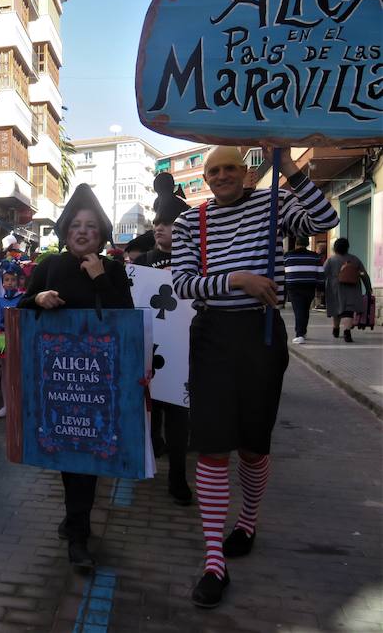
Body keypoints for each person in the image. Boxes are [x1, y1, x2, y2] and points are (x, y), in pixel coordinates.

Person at [171, 146, 338, 608]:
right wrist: (236, 279)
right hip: (211, 337)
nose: (222, 175)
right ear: (204, 178)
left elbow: (324, 221)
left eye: (229, 167)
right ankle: (212, 562)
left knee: (253, 445)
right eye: (213, 170)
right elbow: (182, 282)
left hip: (262, 334)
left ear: (245, 172)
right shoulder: (190, 222)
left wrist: (288, 170)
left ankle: (247, 520)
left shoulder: (274, 205)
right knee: (212, 445)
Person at [19, 184, 134, 568]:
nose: (83, 232)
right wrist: (38, 299)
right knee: (72, 456)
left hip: (102, 383)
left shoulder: (115, 269)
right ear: (66, 233)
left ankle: (77, 529)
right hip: (59, 381)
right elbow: (19, 306)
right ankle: (77, 524)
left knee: (91, 455)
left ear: (101, 234)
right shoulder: (50, 266)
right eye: (76, 226)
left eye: (91, 227)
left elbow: (127, 319)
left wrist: (100, 277)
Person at [134, 181, 192, 506]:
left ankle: (178, 477)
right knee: (151, 411)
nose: (160, 228)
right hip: (150, 349)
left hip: (183, 350)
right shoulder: (142, 262)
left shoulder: (194, 262)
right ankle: (151, 456)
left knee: (179, 415)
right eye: (157, 223)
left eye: (167, 223)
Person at [0, 260, 24, 419]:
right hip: (3, 339)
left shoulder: (24, 299)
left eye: (12, 280)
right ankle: (6, 404)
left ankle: (18, 403)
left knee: (18, 372)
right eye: (6, 280)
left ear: (18, 281)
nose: (9, 283)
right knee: (5, 373)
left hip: (19, 338)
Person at [323, 237, 372, 344]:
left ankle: (336, 328)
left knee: (337, 308)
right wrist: (368, 288)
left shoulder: (331, 260)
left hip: (335, 288)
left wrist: (319, 288)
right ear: (347, 247)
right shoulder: (355, 259)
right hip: (352, 288)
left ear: (335, 247)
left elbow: (323, 274)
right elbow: (364, 275)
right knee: (348, 311)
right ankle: (347, 331)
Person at [284, 237, 324, 344]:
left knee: (299, 309)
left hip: (294, 286)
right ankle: (303, 332)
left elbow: (282, 270)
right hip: (309, 286)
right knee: (305, 309)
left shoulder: (288, 256)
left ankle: (300, 334)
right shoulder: (315, 256)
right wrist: (320, 288)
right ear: (307, 244)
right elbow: (320, 272)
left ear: (296, 243)